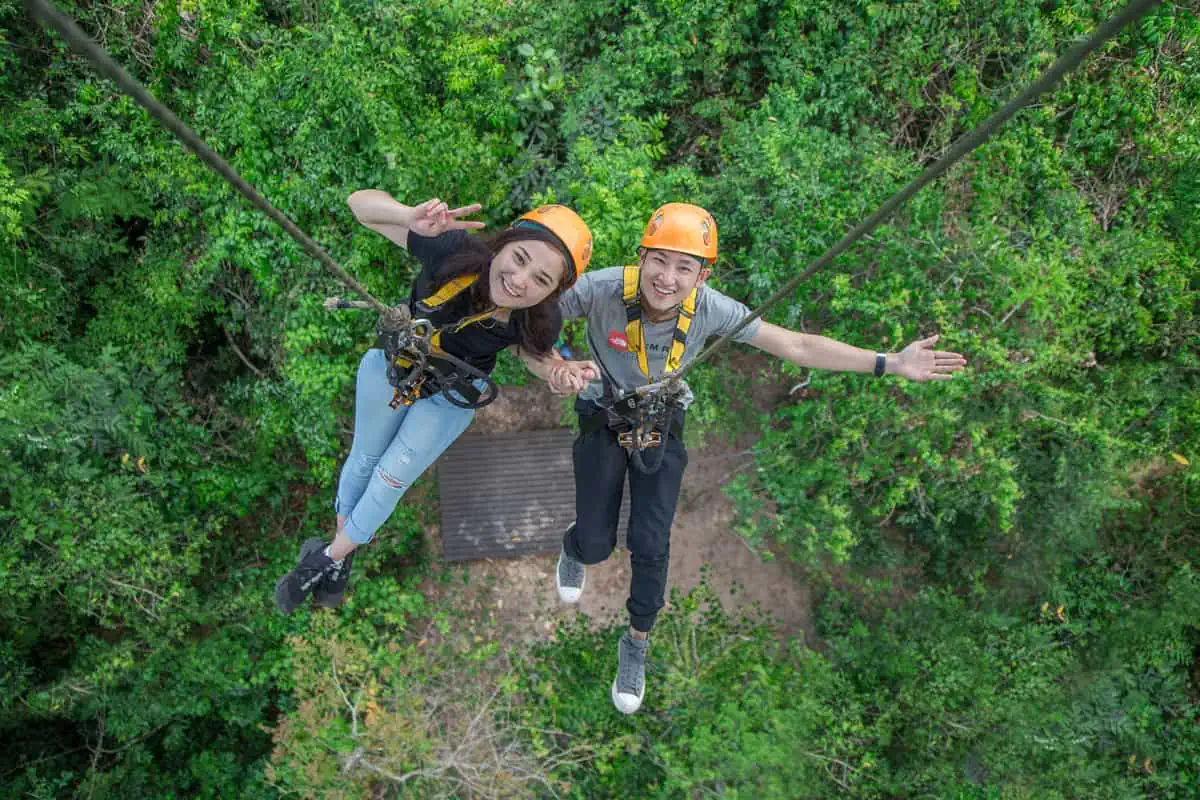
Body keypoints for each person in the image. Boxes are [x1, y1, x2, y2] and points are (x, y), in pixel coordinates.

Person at [521, 202, 967, 713]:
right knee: (597, 544)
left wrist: (889, 362)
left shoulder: (711, 309)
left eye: (685, 267)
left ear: (703, 274)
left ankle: (637, 642)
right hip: (604, 413)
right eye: (659, 261)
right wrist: (550, 364)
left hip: (661, 421)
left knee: (650, 540)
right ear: (640, 257)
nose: (667, 278)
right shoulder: (601, 289)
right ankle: (576, 548)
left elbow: (796, 346)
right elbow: (532, 318)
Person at [274, 194, 593, 614]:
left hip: (449, 394)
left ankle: (326, 560)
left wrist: (557, 371)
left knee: (390, 477)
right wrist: (408, 217)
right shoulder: (453, 250)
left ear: (552, 293)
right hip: (395, 366)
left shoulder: (537, 320)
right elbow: (358, 206)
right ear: (502, 244)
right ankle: (340, 552)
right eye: (518, 258)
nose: (520, 280)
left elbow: (535, 355)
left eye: (540, 280)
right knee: (365, 459)